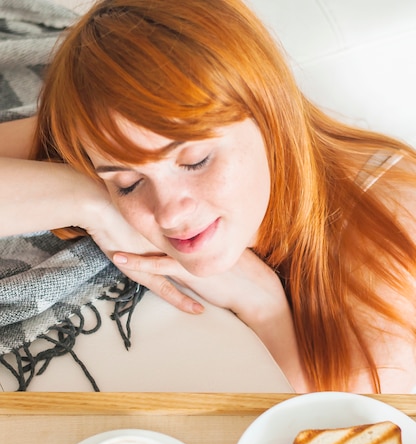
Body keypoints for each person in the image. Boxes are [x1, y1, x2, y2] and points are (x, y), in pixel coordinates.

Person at [1, 0, 416, 393]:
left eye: (196, 161)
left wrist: (264, 305)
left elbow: (339, 440)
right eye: (128, 182)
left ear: (272, 114)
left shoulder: (387, 223)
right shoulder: (118, 132)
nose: (168, 214)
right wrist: (91, 201)